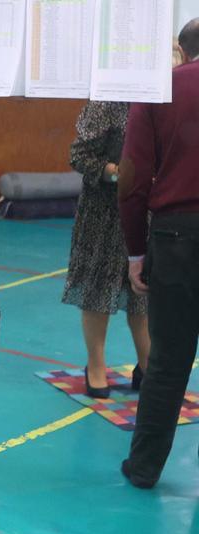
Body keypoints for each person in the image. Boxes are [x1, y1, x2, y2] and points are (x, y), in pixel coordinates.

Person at [118, 18, 199, 489]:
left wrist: (134, 251)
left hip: (175, 238)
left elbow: (131, 180)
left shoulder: (158, 90)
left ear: (182, 50)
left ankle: (145, 467)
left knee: (167, 360)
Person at [63, 101, 149, 398]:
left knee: (144, 290)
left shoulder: (162, 99)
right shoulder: (105, 103)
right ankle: (96, 365)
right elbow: (79, 155)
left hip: (146, 208)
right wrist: (116, 173)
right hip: (104, 211)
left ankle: (147, 364)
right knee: (98, 288)